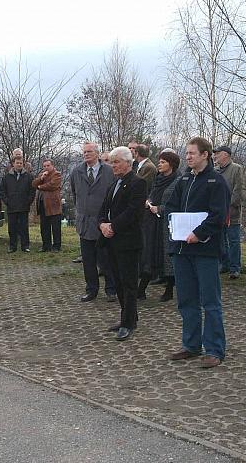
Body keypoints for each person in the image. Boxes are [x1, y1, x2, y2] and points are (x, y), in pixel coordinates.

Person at [164, 137, 230, 368]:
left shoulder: (216, 182)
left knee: (210, 301)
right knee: (187, 299)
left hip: (205, 250)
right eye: (187, 153)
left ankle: (214, 349)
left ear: (205, 155)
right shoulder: (183, 179)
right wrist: (174, 226)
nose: (188, 157)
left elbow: (218, 216)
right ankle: (190, 344)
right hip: (182, 249)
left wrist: (199, 233)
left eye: (192, 153)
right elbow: (170, 206)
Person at [98, 146, 147, 340]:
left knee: (128, 283)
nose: (113, 166)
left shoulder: (138, 183)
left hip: (127, 240)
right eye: (111, 162)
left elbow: (133, 211)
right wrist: (102, 224)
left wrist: (113, 227)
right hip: (111, 240)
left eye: (116, 162)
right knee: (117, 281)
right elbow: (104, 208)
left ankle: (128, 323)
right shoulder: (114, 184)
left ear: (128, 162)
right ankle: (128, 316)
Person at [71, 141, 116, 302]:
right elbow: (75, 194)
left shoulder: (109, 171)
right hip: (84, 222)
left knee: (106, 259)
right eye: (84, 152)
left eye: (89, 151)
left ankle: (111, 289)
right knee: (88, 260)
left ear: (97, 153)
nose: (86, 154)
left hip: (103, 222)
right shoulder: (76, 172)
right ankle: (91, 289)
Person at [143, 150, 181, 302]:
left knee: (167, 256)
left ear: (171, 164)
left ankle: (169, 289)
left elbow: (177, 204)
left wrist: (160, 208)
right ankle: (148, 283)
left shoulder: (177, 181)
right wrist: (149, 202)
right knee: (152, 253)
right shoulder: (158, 179)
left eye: (163, 162)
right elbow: (152, 194)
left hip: (168, 224)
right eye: (159, 161)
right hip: (153, 222)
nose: (159, 164)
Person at [213, 145, 245, 279]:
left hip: (232, 212)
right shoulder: (215, 171)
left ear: (225, 154)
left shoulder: (236, 169)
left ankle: (235, 268)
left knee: (234, 240)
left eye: (218, 153)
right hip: (219, 212)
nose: (215, 156)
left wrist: (229, 205)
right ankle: (224, 264)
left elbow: (238, 190)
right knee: (221, 240)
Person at [0, 157, 35, 253]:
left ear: (23, 164)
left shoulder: (28, 176)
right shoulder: (7, 177)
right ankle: (12, 246)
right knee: (12, 228)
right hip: (12, 207)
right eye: (17, 163)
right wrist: (7, 201)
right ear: (13, 164)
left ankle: (25, 246)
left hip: (24, 207)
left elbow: (32, 191)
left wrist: (28, 201)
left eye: (21, 163)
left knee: (24, 228)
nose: (19, 164)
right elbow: (2, 191)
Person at [33, 159, 62, 252]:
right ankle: (46, 245)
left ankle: (56, 246)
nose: (46, 167)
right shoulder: (42, 174)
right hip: (42, 205)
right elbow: (34, 184)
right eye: (44, 166)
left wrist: (41, 187)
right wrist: (41, 178)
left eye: (48, 165)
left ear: (52, 166)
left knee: (55, 227)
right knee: (44, 227)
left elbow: (52, 185)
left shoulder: (56, 174)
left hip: (53, 205)